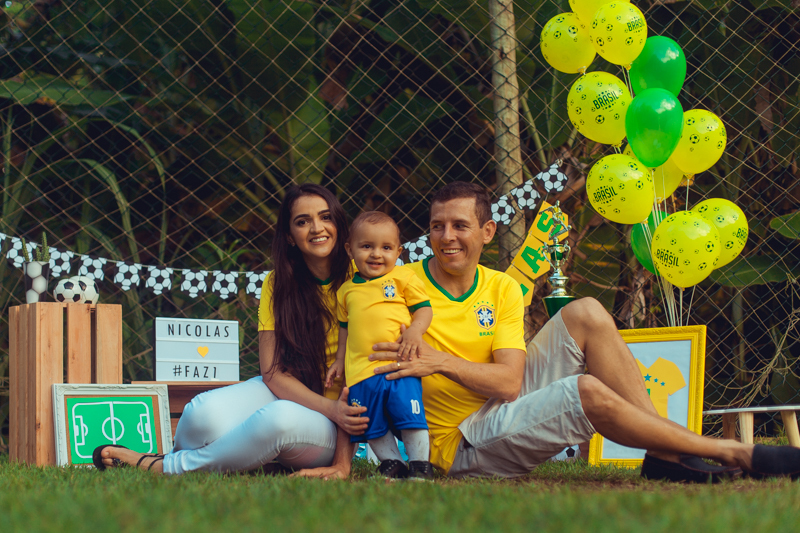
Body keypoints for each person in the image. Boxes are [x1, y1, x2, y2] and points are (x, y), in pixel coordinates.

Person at [367, 181, 800, 481]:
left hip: (497, 403)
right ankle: (730, 452)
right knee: (585, 392)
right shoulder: (401, 285)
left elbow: (509, 382)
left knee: (588, 311)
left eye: (459, 225)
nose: (447, 237)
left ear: (487, 231)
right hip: (457, 443)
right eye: (437, 226)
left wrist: (438, 361)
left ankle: (667, 455)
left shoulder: (500, 287)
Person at [94, 183, 367, 478]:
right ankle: (244, 457)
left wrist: (341, 458)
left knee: (277, 420)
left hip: (336, 424)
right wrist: (327, 406)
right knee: (201, 413)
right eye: (303, 221)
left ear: (339, 224)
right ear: (289, 236)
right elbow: (273, 373)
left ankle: (167, 466)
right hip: (300, 396)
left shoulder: (364, 280)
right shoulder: (278, 284)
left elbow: (367, 373)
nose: (317, 228)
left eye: (325, 217)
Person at [325, 211, 434, 480]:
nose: (376, 254)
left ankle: (421, 464)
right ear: (350, 249)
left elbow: (424, 310)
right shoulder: (346, 291)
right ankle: (392, 463)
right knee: (369, 422)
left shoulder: (402, 278)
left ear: (398, 251)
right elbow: (344, 329)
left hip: (399, 365)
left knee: (410, 415)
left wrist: (415, 333)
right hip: (361, 372)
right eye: (366, 247)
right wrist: (339, 360)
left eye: (386, 248)